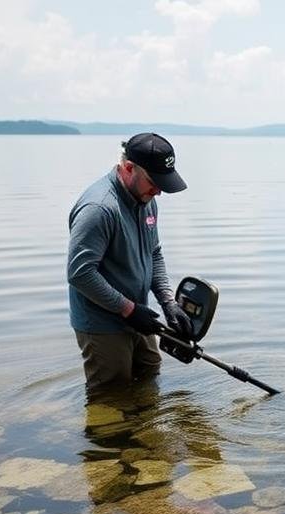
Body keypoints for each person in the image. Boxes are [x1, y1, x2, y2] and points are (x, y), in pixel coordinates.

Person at [67, 132, 193, 387]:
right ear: (128, 168)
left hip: (137, 315)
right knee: (112, 392)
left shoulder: (145, 200)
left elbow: (153, 252)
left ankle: (146, 428)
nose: (158, 191)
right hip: (102, 323)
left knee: (150, 371)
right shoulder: (99, 208)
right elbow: (80, 273)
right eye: (153, 181)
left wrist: (168, 302)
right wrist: (128, 309)